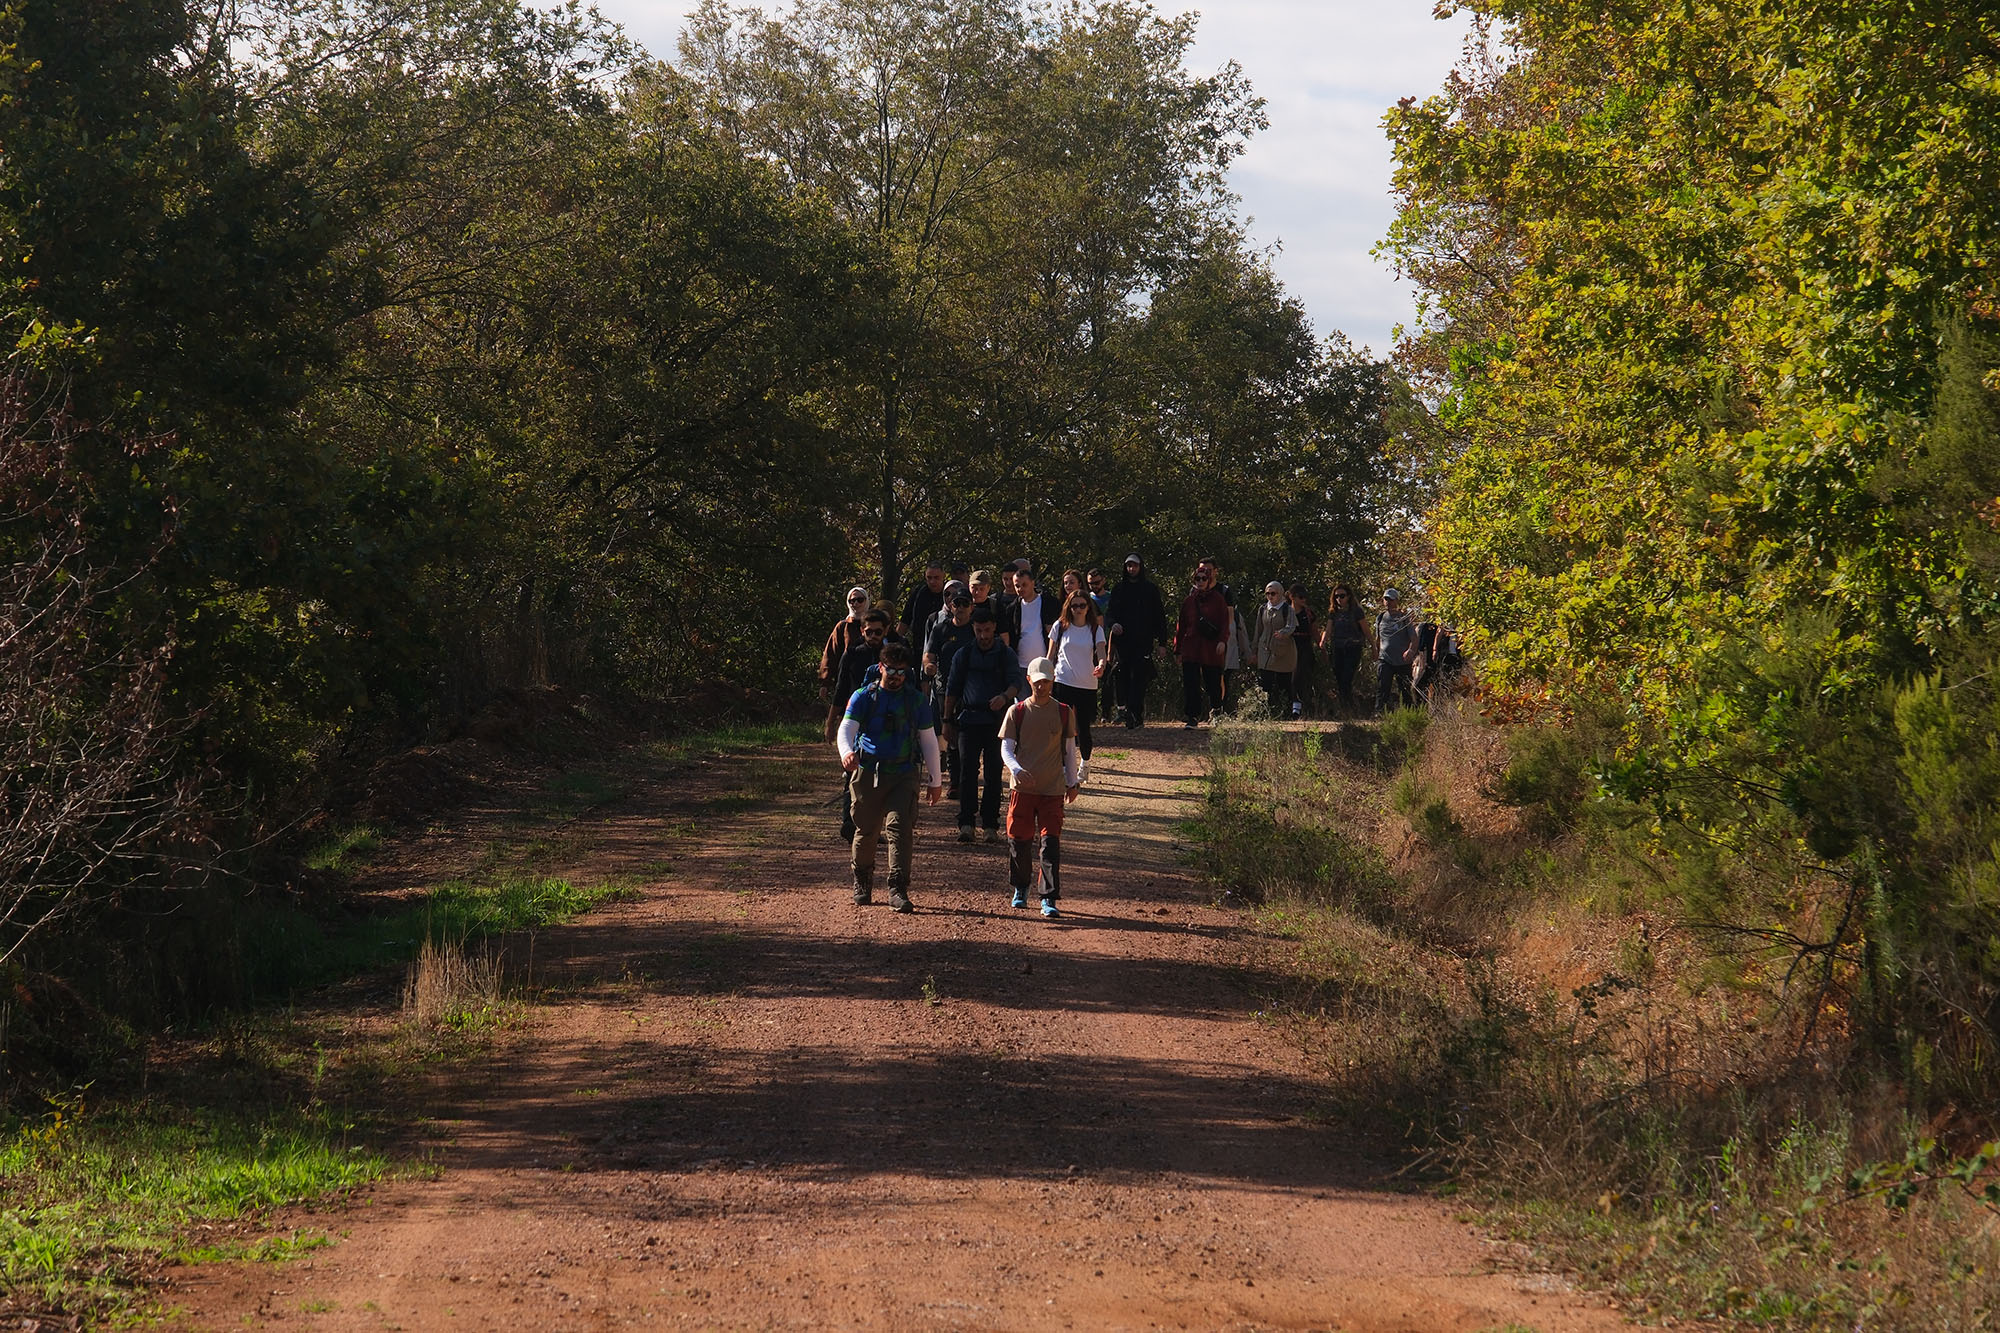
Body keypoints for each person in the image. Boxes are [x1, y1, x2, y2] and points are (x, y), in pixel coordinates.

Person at [837, 643, 944, 913]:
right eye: (891, 671)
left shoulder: (915, 700)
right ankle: (862, 880)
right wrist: (848, 753)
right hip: (868, 774)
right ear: (881, 667)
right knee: (867, 830)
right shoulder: (864, 696)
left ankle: (898, 887)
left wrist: (935, 780)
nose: (896, 676)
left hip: (904, 774)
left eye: (901, 671)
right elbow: (846, 728)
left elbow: (929, 740)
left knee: (900, 829)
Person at [1000, 658, 1082, 918]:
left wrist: (1072, 781)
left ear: (1053, 681)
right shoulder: (1017, 712)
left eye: (1046, 681)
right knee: (1019, 842)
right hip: (1022, 790)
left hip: (1052, 789)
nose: (1042, 686)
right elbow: (1006, 747)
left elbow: (1069, 751)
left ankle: (1048, 897)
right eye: (1037, 682)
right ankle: (1021, 889)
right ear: (1029, 681)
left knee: (1050, 843)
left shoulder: (1064, 712)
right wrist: (1016, 769)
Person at [944, 607, 1027, 842]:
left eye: (988, 630)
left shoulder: (1005, 653)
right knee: (967, 773)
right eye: (979, 630)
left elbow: (1016, 682)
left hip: (997, 723)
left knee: (993, 774)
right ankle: (966, 824)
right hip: (968, 721)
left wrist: (1004, 696)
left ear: (994, 628)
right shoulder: (964, 654)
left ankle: (990, 825)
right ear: (973, 628)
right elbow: (952, 689)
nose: (983, 635)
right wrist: (946, 721)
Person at [828, 611, 892, 838]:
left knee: (882, 775)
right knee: (852, 770)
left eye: (878, 631)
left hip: (887, 723)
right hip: (856, 719)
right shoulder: (853, 653)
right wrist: (831, 721)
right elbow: (841, 687)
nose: (873, 635)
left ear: (885, 630)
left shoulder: (893, 653)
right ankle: (849, 822)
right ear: (862, 630)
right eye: (868, 631)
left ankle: (874, 825)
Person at [1104, 554, 1167, 727]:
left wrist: (1162, 643)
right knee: (1122, 678)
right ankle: (1126, 712)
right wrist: (1113, 624)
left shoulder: (1150, 589)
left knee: (1139, 679)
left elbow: (1159, 617)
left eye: (1135, 566)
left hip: (1143, 642)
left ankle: (1135, 714)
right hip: (1123, 643)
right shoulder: (1118, 589)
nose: (1132, 569)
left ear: (1141, 567)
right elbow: (1110, 614)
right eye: (1129, 566)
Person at [925, 589, 977, 798]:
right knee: (950, 734)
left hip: (972, 689)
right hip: (944, 688)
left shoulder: (976, 630)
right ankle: (955, 782)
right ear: (951, 605)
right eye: (957, 603)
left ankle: (967, 779)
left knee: (969, 735)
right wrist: (929, 665)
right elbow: (929, 654)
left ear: (972, 606)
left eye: (965, 603)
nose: (961, 607)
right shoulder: (940, 629)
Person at [1046, 586, 1106, 765]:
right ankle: (1063, 766)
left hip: (1087, 683)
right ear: (1068, 607)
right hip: (1063, 680)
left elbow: (1101, 652)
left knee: (1083, 728)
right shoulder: (1060, 626)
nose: (1078, 609)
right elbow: (1051, 654)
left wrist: (1101, 665)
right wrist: (1046, 675)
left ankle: (1085, 764)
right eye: (1074, 606)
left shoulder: (1095, 629)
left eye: (1082, 605)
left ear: (1088, 607)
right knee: (1061, 727)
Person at [1174, 561, 1231, 727]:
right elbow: (1181, 626)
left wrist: (1222, 641)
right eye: (1197, 578)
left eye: (1203, 578)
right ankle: (1192, 716)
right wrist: (1177, 649)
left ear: (1209, 579)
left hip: (1211, 648)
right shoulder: (1189, 601)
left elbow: (1224, 623)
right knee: (1190, 682)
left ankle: (1216, 711)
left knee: (1212, 681)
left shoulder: (1218, 600)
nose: (1200, 581)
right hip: (1191, 647)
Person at [1251, 580, 1298, 719]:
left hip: (1283, 650)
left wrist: (1283, 632)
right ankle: (1266, 713)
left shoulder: (1287, 609)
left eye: (1273, 593)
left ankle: (1286, 713)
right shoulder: (1263, 609)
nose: (1270, 596)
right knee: (1265, 682)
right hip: (1265, 649)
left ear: (1280, 593)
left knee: (1284, 683)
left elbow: (1292, 625)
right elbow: (1258, 630)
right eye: (1267, 593)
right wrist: (1253, 651)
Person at [1321, 584, 1367, 715]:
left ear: (1348, 596)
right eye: (1336, 596)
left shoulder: (1357, 611)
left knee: (1347, 678)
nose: (1339, 599)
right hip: (1337, 649)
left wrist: (1374, 647)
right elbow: (1328, 629)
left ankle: (1348, 708)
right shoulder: (1333, 612)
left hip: (1353, 648)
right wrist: (1323, 640)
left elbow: (1365, 630)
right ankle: (1346, 708)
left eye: (1342, 596)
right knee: (1340, 679)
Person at [818, 587, 872, 699]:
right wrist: (825, 682)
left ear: (866, 601)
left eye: (860, 600)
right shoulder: (842, 626)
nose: (855, 603)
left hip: (871, 679)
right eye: (851, 601)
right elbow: (831, 653)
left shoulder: (874, 625)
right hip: (846, 679)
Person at [1375, 587, 1418, 712]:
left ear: (1396, 601)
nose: (1388, 602)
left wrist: (1410, 651)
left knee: (1405, 689)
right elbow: (1378, 638)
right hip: (1385, 659)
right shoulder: (1380, 618)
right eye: (1386, 599)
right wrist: (1375, 651)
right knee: (1382, 687)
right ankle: (1379, 713)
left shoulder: (1404, 618)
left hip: (1402, 661)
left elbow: (1414, 638)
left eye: (1391, 599)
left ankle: (1409, 714)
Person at [1009, 567, 1058, 675]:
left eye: (1024, 585)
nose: (1020, 589)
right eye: (1017, 586)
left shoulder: (1049, 603)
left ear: (1032, 583)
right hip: (1021, 665)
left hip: (1045, 664)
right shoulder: (1012, 609)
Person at [1289, 584, 1317, 719]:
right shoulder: (1286, 612)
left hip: (1305, 647)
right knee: (1290, 678)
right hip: (1289, 647)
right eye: (1300, 597)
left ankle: (1300, 708)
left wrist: (1322, 648)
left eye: (1305, 597)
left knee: (1302, 678)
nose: (1303, 600)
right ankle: (1291, 706)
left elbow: (1315, 632)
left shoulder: (1309, 613)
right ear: (1292, 597)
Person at [900, 561, 946, 642]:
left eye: (936, 577)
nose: (932, 581)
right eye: (929, 577)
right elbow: (905, 620)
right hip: (919, 642)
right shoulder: (919, 593)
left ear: (943, 576)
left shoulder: (949, 593)